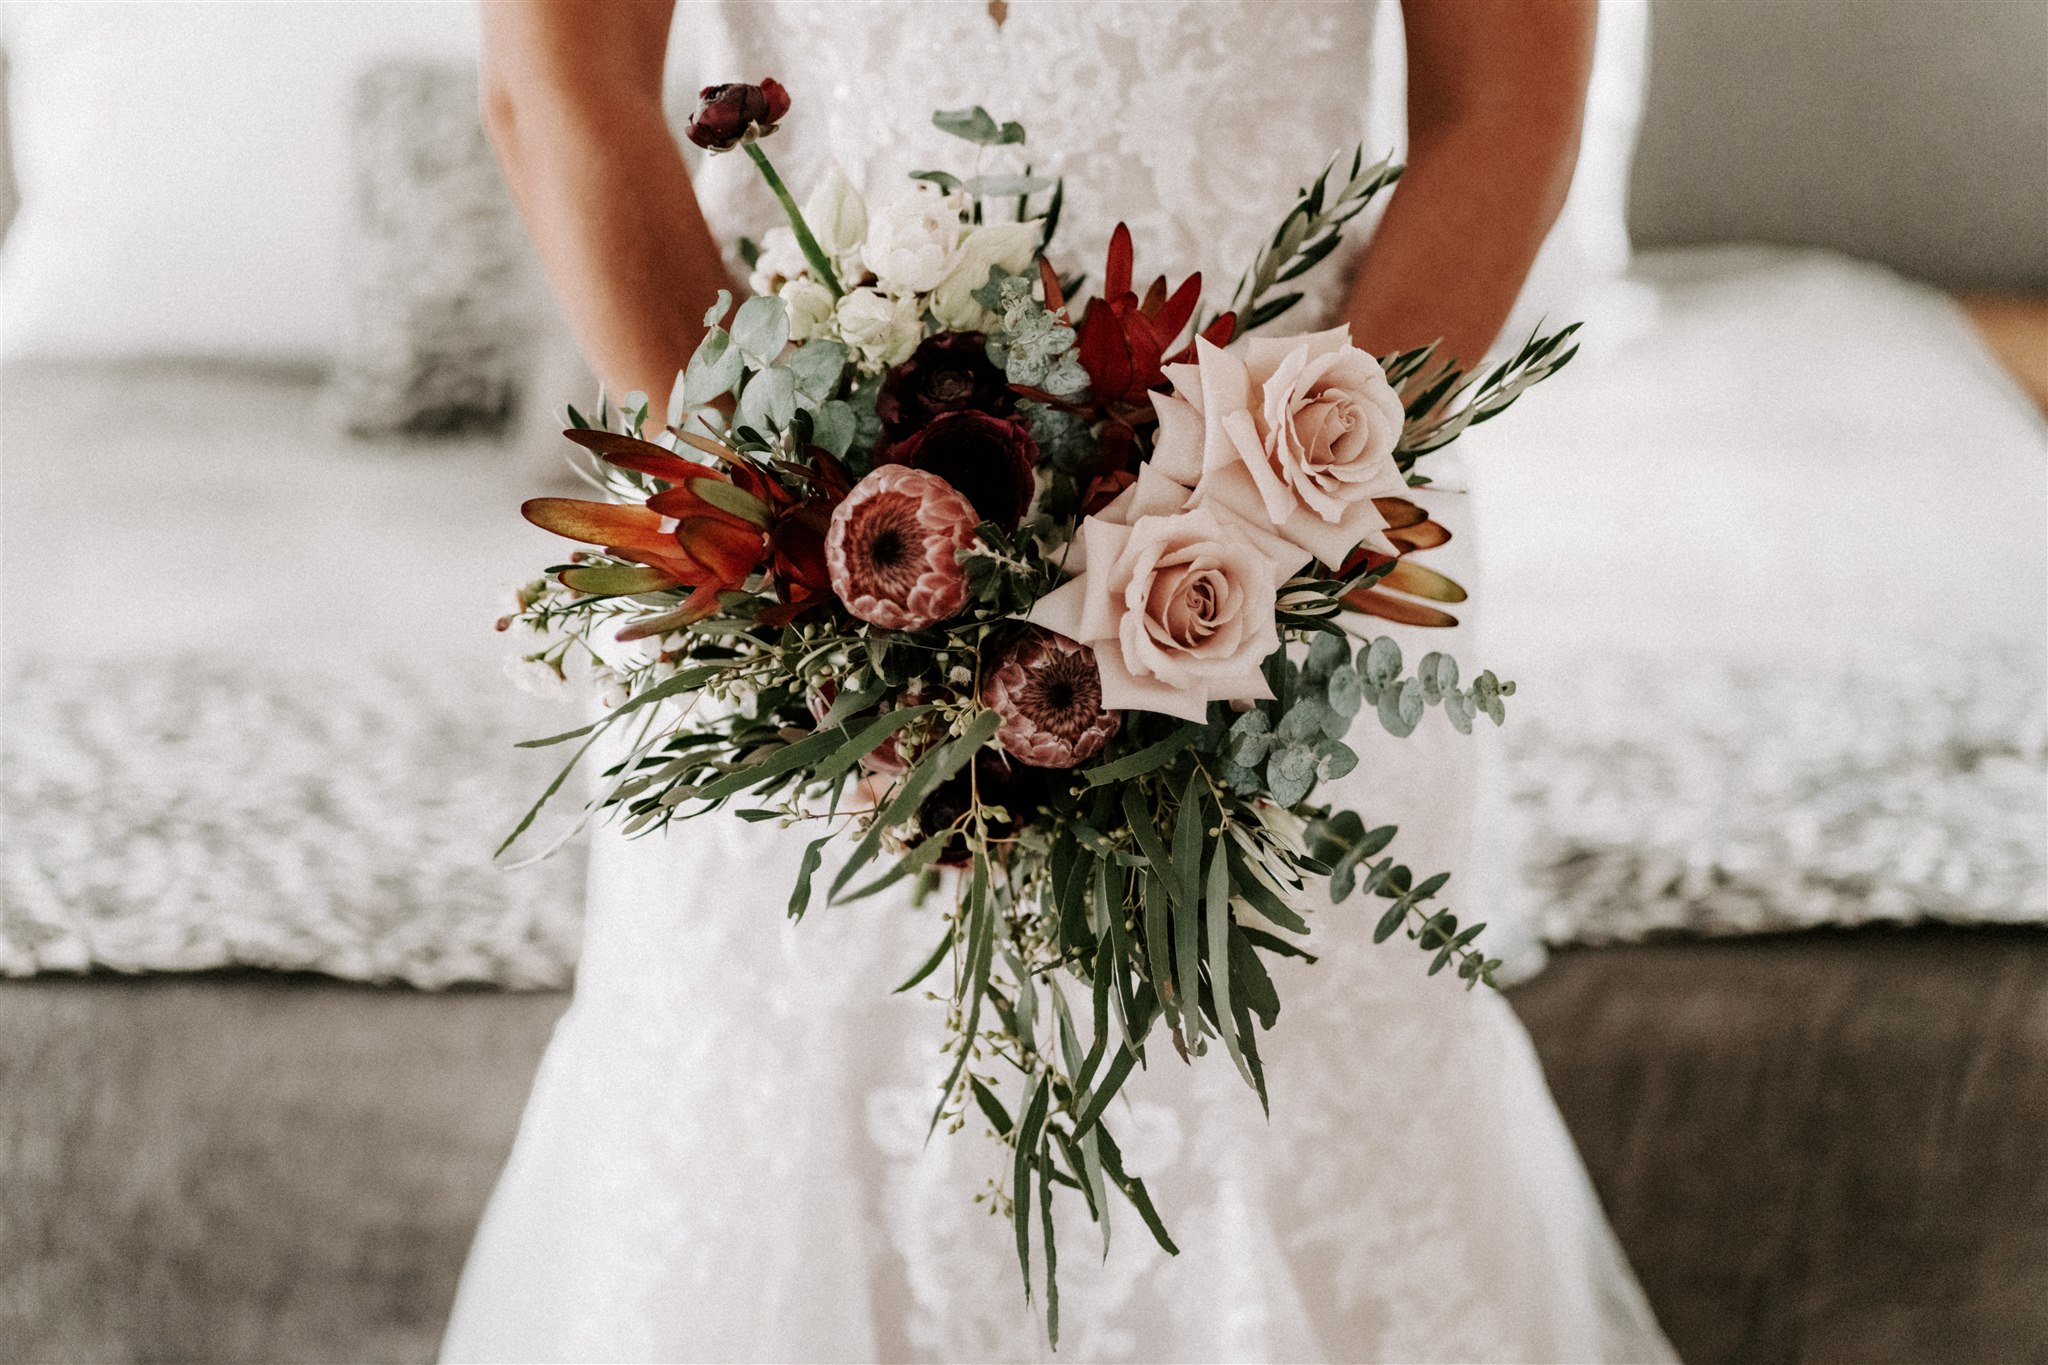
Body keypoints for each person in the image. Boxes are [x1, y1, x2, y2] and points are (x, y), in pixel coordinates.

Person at [448, 2, 1679, 1360]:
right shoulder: (797, 577)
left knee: (1290, 1129)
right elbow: (556, 85)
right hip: (787, 566)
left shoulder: (1270, 563)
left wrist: (1227, 558)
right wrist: (808, 573)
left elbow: (1503, 114)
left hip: (1292, 586)